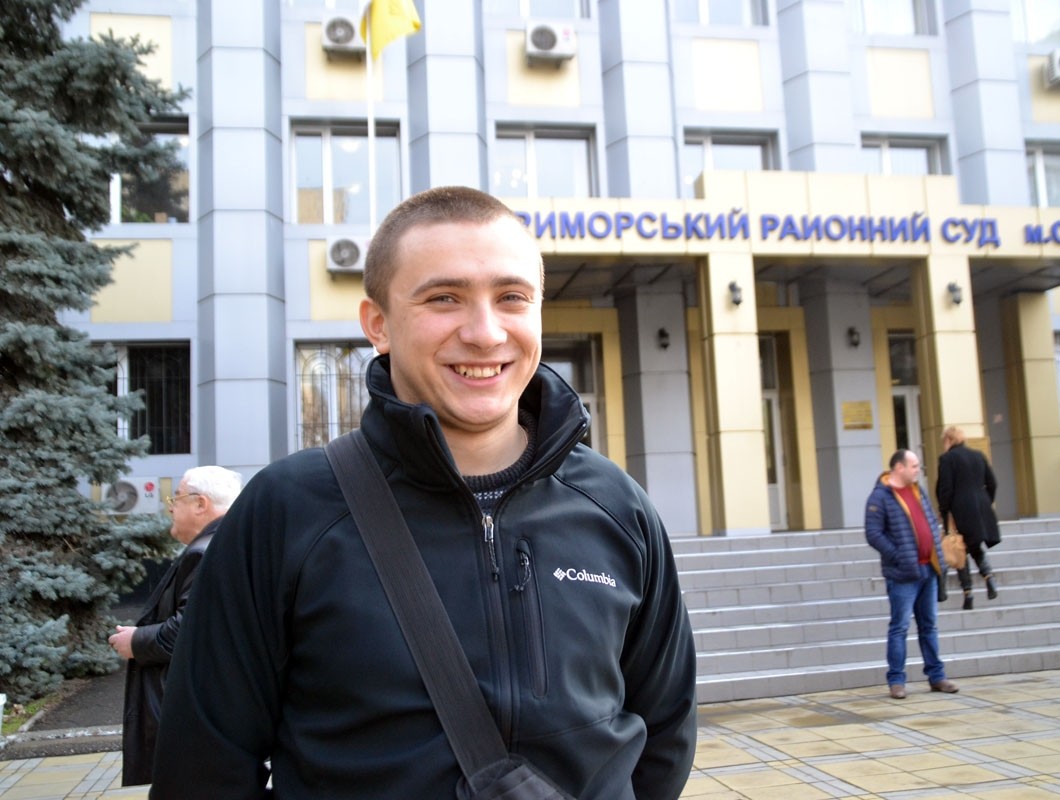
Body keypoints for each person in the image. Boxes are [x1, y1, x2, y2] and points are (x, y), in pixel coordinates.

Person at [150, 186, 698, 799]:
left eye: (512, 297)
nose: (486, 333)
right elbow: (203, 767)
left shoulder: (617, 505)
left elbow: (665, 731)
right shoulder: (288, 510)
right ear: (378, 325)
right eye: (444, 298)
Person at [108, 465, 243, 786]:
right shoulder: (228, 543)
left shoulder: (207, 552)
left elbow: (192, 629)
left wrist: (136, 641)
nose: (170, 507)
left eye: (177, 498)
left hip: (198, 716)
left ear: (200, 503)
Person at [864, 449, 958, 700]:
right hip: (902, 574)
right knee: (900, 627)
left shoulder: (918, 491)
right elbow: (873, 533)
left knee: (929, 626)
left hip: (928, 569)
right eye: (914, 465)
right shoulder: (880, 496)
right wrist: (898, 555)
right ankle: (896, 681)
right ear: (899, 467)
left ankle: (937, 676)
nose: (918, 469)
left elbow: (929, 523)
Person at [935, 425, 1001, 610]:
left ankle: (968, 594)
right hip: (981, 510)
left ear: (949, 440)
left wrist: (943, 511)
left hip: (959, 510)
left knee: (958, 550)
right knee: (973, 546)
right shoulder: (978, 455)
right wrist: (986, 502)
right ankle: (989, 577)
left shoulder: (947, 459)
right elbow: (992, 483)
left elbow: (945, 489)